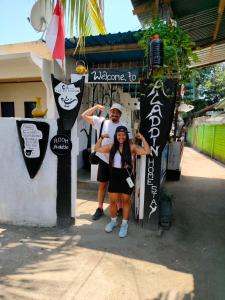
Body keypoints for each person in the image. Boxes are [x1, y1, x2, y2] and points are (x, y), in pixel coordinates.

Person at [94, 126, 151, 238]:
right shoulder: (111, 147)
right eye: (119, 135)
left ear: (126, 136)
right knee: (113, 201)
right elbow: (96, 149)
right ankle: (113, 221)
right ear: (116, 136)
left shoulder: (132, 147)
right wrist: (101, 137)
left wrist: (142, 138)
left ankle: (124, 224)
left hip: (127, 176)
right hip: (114, 175)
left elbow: (147, 151)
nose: (121, 137)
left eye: (123, 135)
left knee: (126, 201)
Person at [81, 103, 132, 220]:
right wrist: (96, 107)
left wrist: (129, 161)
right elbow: (84, 115)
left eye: (117, 112)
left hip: (118, 161)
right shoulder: (102, 122)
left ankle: (119, 208)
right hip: (104, 159)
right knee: (103, 184)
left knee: (118, 186)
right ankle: (99, 208)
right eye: (113, 112)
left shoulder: (124, 126)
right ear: (110, 113)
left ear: (120, 114)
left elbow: (130, 143)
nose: (114, 114)